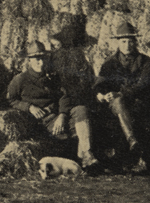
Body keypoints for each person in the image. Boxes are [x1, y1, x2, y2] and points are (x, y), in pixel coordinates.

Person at [7, 42, 101, 173]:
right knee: (67, 133)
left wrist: (62, 115)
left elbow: (63, 96)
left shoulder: (53, 77)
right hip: (42, 123)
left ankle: (86, 153)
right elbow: (10, 100)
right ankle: (81, 157)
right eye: (37, 59)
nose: (41, 62)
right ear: (29, 60)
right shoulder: (20, 80)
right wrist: (29, 107)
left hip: (57, 117)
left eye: (43, 58)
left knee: (81, 110)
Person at [93, 21, 150, 173]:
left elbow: (143, 85)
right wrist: (101, 94)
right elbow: (100, 84)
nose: (127, 45)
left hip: (139, 103)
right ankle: (131, 142)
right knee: (115, 105)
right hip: (116, 106)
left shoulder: (145, 62)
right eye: (123, 41)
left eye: (131, 41)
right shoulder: (109, 64)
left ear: (135, 42)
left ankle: (131, 146)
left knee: (120, 103)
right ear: (117, 42)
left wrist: (121, 93)